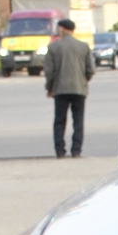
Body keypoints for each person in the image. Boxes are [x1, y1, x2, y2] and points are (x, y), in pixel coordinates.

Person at [42, 17, 92, 159]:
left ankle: (60, 151)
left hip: (60, 90)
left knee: (59, 120)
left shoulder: (53, 47)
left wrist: (49, 87)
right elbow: (91, 69)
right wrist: (83, 80)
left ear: (63, 29)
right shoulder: (83, 46)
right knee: (78, 120)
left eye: (59, 28)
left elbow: (49, 71)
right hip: (79, 89)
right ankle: (76, 150)